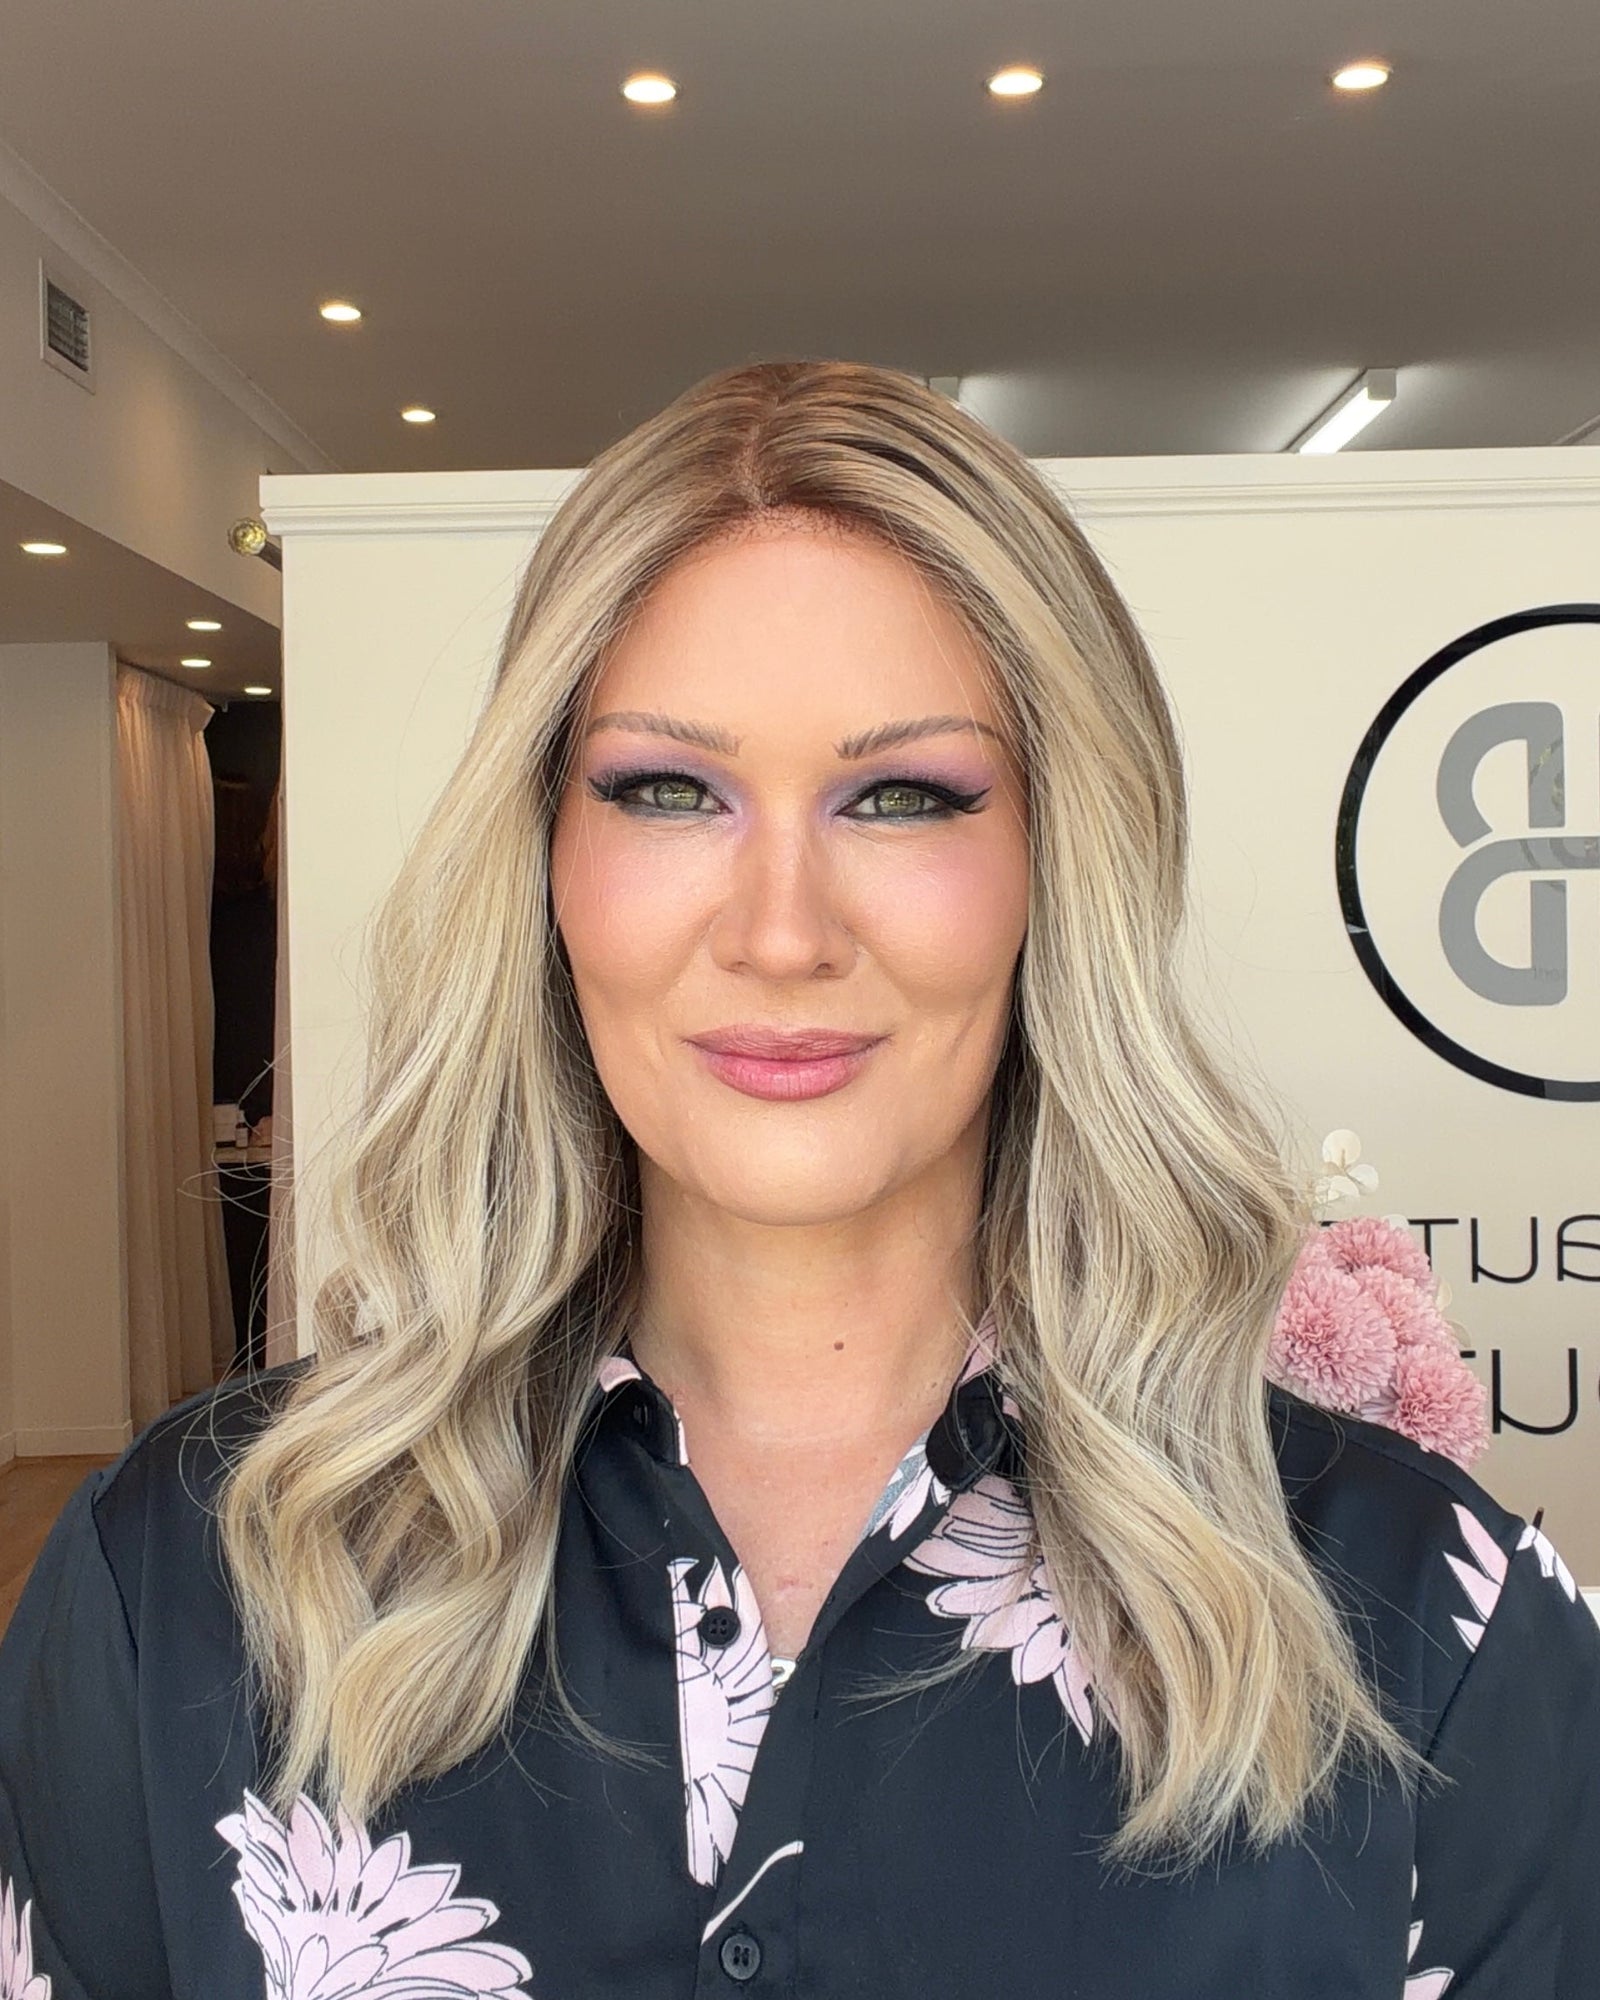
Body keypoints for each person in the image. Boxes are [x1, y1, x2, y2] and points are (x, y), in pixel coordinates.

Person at [2, 359, 1596, 1999]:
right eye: (667, 790)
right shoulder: (183, 1583)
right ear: (545, 861)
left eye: (902, 797)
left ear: (1061, 863)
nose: (780, 929)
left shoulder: (1431, 1628)